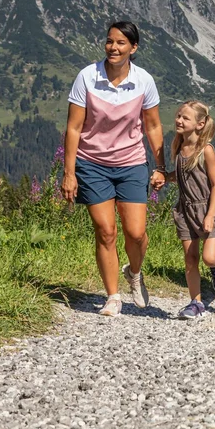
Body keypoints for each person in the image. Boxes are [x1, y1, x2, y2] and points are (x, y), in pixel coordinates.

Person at [61, 21, 166, 317]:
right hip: (92, 164)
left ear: (133, 48)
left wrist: (160, 167)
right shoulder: (87, 77)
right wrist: (69, 173)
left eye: (121, 43)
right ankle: (113, 296)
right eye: (110, 42)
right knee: (105, 230)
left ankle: (134, 272)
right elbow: (73, 128)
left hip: (132, 162)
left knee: (136, 232)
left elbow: (154, 125)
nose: (113, 48)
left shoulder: (144, 80)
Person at [169, 101, 215, 319]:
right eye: (178, 116)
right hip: (185, 210)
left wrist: (211, 214)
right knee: (190, 258)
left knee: (208, 256)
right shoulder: (178, 146)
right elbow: (183, 174)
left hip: (207, 208)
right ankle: (196, 303)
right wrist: (165, 177)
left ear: (200, 124)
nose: (179, 120)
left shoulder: (206, 151)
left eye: (185, 118)